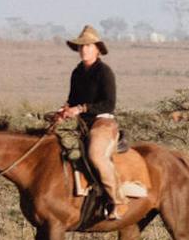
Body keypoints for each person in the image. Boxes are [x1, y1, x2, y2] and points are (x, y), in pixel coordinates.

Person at [54, 26, 133, 216]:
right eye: (81, 47)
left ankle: (118, 200)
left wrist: (81, 109)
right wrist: (63, 111)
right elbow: (73, 99)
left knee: (95, 155)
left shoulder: (104, 72)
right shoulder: (77, 72)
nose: (84, 50)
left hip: (102, 123)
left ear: (97, 49)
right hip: (81, 124)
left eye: (88, 46)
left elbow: (109, 104)